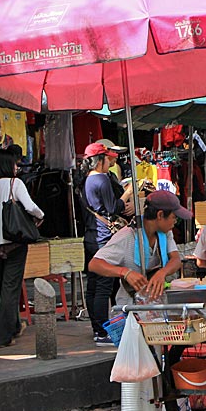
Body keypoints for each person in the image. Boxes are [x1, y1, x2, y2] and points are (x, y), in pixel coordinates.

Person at [0, 149, 45, 348]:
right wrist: (41, 216)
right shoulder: (15, 184)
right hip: (14, 243)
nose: (17, 167)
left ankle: (14, 326)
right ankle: (2, 336)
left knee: (5, 288)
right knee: (10, 289)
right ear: (8, 165)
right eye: (15, 164)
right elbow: (30, 207)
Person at [88, 190, 189, 304]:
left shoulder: (165, 233)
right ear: (160, 215)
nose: (175, 222)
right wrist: (125, 272)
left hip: (156, 304)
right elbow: (94, 264)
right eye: (174, 217)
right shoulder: (126, 237)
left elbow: (175, 259)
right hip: (130, 306)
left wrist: (162, 273)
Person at [80, 142, 135, 346]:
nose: (110, 163)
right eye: (107, 159)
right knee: (103, 285)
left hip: (91, 235)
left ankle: (97, 328)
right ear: (100, 160)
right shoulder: (101, 179)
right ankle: (103, 330)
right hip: (103, 237)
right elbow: (112, 208)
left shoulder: (85, 180)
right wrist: (128, 192)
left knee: (93, 285)